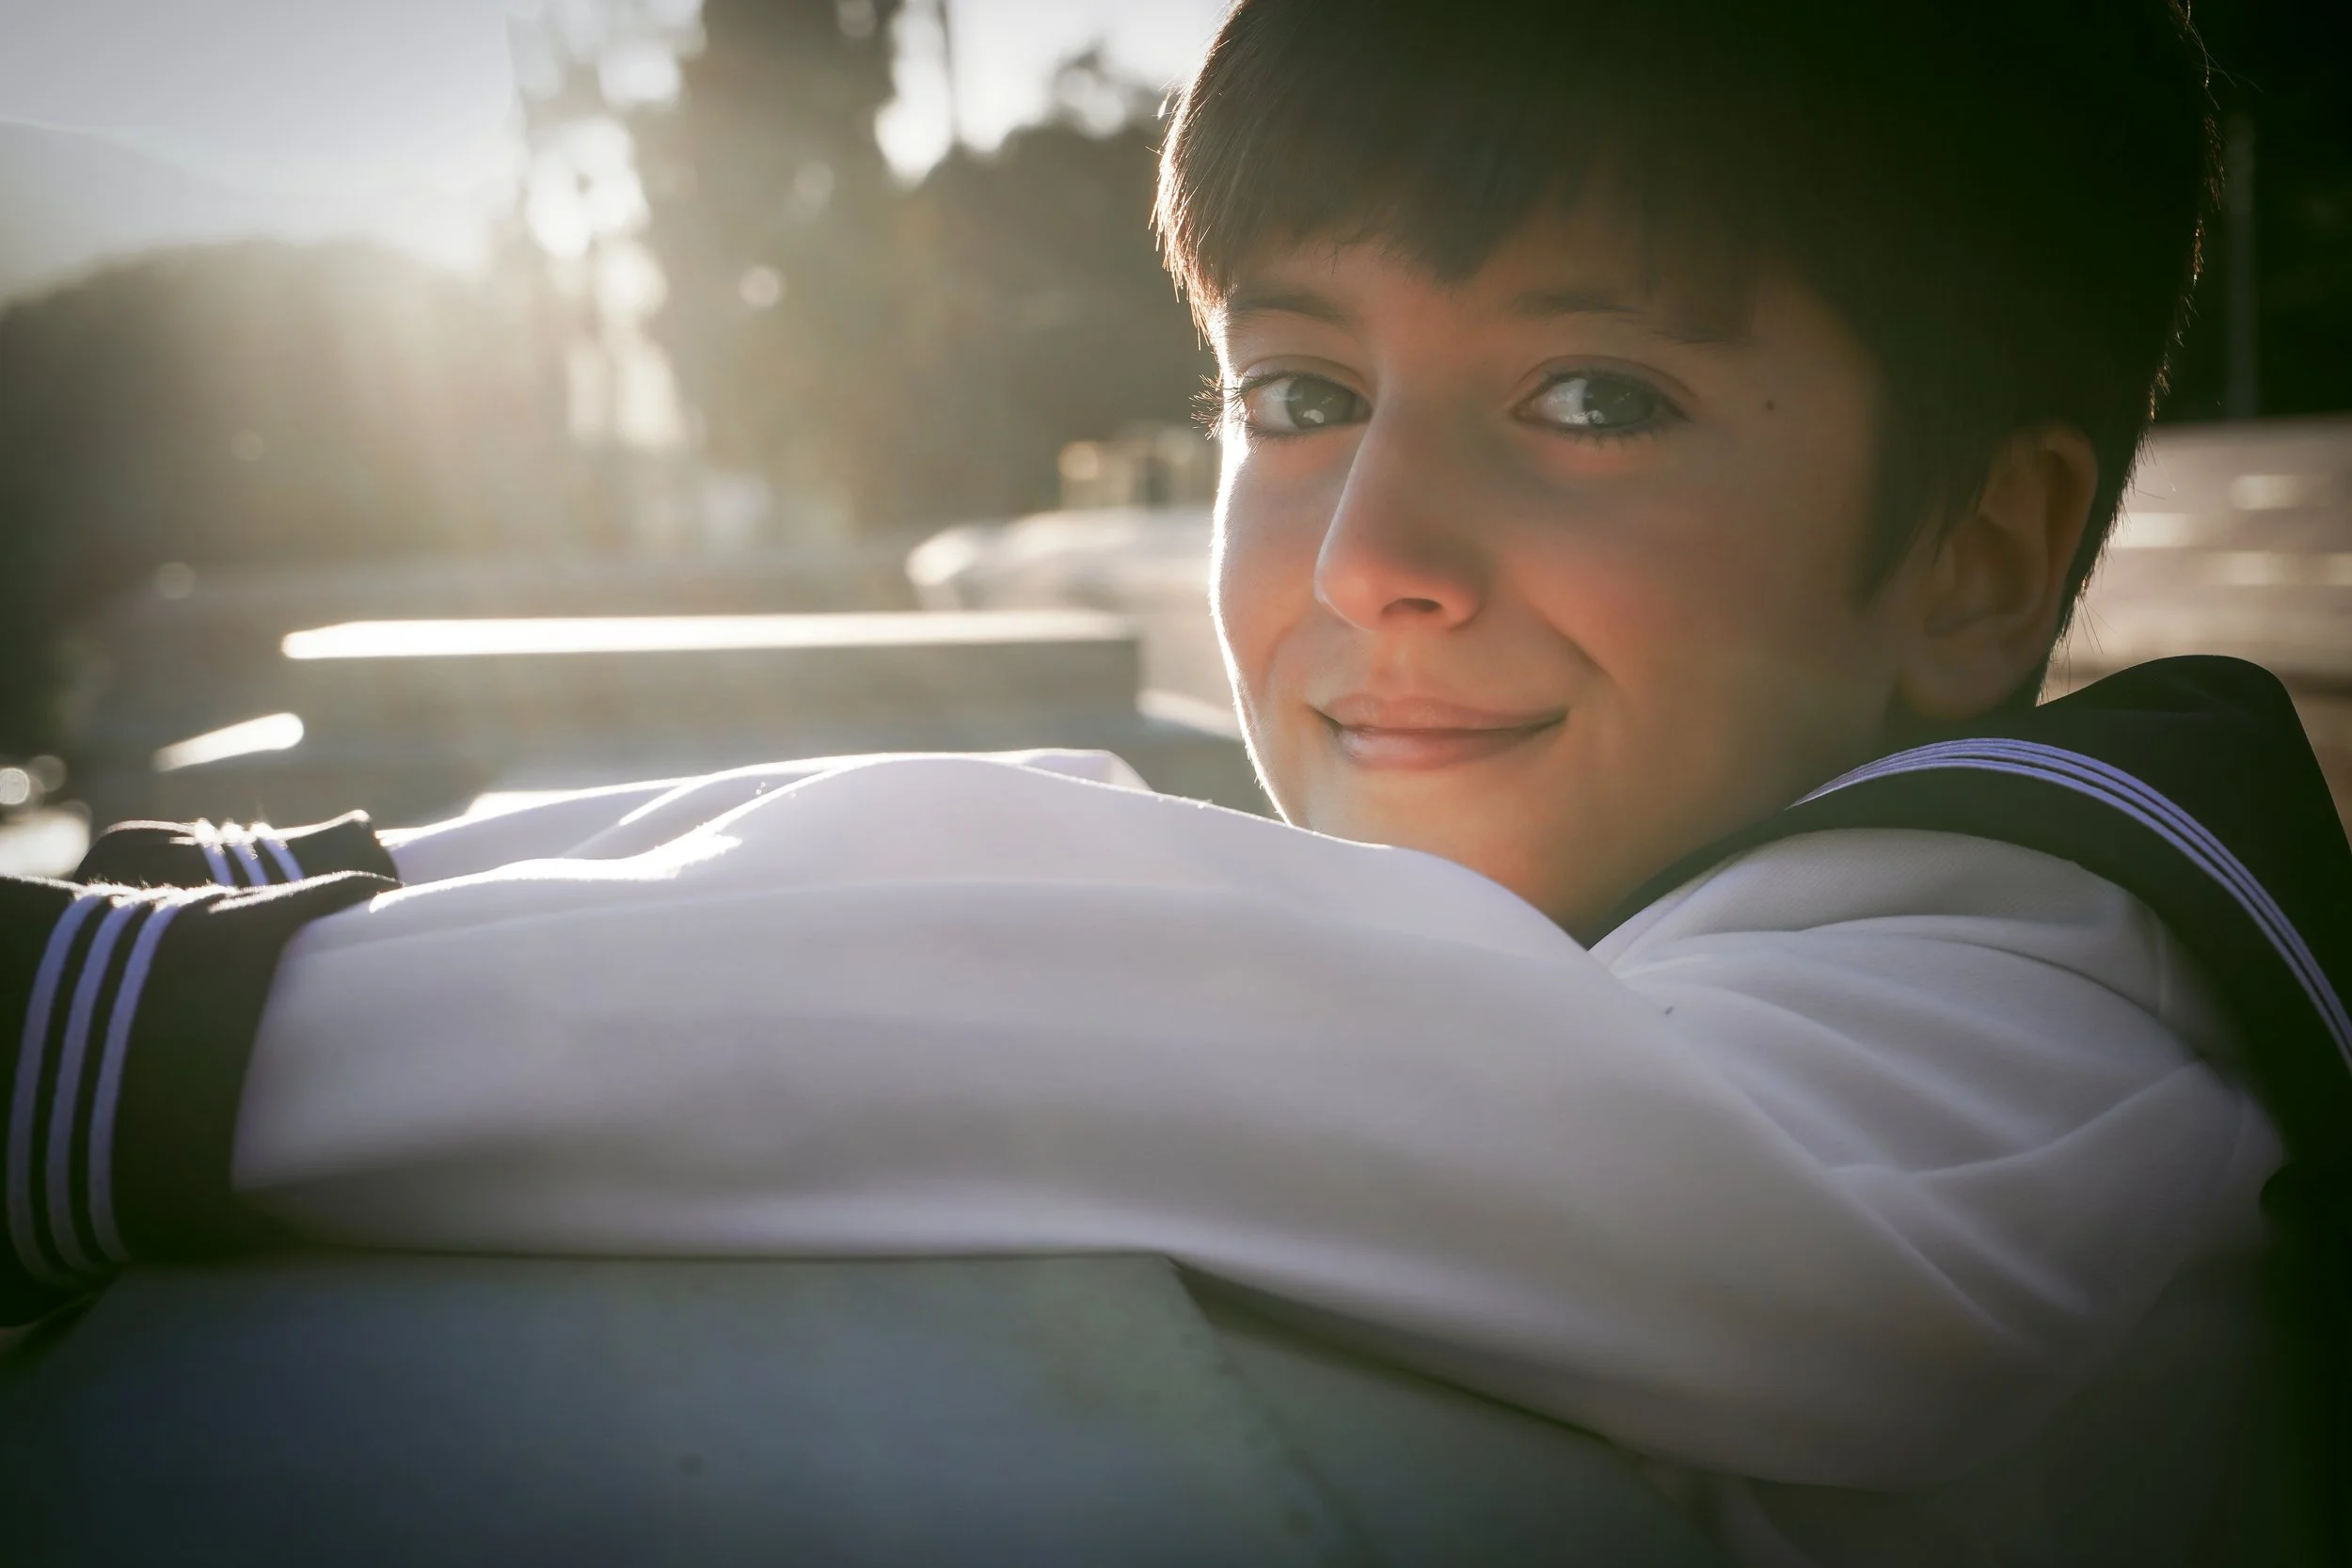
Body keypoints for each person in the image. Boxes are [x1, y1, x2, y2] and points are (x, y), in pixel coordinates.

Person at [4, 2, 2346, 1562]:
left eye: (1595, 397)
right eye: (1297, 391)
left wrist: (175, 1049)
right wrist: (304, 887)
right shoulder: (1655, 927)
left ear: (1979, 552)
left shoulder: (2049, 1004)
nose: (1370, 560)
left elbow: (1173, 997)